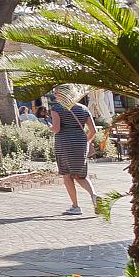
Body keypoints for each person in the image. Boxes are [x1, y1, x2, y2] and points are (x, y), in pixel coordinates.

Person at [46, 86, 96, 215]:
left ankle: (75, 206)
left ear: (61, 94)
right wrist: (87, 142)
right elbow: (93, 131)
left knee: (67, 175)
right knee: (80, 175)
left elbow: (56, 129)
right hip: (80, 144)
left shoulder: (56, 108)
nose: (55, 95)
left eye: (56, 93)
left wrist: (50, 127)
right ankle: (94, 195)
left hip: (64, 144)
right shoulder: (83, 109)